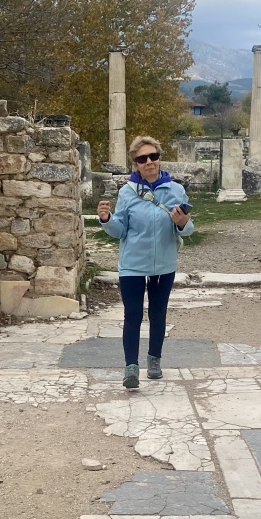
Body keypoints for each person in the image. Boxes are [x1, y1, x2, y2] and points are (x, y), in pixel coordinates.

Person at [96, 136, 194, 390]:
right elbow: (120, 230)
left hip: (164, 264)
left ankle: (154, 360)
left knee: (158, 314)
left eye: (153, 156)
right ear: (135, 164)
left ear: (160, 159)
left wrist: (182, 223)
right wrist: (107, 220)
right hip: (132, 265)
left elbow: (188, 229)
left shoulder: (175, 190)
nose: (149, 162)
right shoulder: (127, 192)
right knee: (133, 315)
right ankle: (131, 367)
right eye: (142, 159)